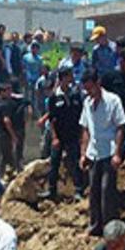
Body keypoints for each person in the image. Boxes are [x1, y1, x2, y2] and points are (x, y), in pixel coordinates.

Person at [79, 69, 125, 237]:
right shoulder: (87, 103)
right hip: (94, 152)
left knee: (107, 189)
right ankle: (95, 224)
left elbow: (121, 126)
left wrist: (117, 153)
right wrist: (83, 153)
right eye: (86, 89)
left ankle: (109, 226)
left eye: (90, 88)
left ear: (98, 84)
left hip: (109, 150)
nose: (89, 92)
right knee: (94, 190)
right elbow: (85, 128)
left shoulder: (113, 101)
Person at [44, 67, 84, 200]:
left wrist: (80, 135)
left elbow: (80, 115)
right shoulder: (54, 98)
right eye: (69, 76)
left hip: (72, 135)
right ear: (62, 78)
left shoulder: (75, 95)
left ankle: (78, 189)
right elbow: (52, 120)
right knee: (54, 162)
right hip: (59, 136)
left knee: (75, 161)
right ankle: (51, 190)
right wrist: (54, 137)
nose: (72, 78)